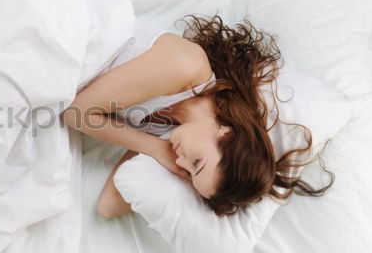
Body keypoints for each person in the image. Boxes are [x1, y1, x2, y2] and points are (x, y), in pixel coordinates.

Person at [61, 14, 333, 218]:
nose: (180, 161)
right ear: (226, 132)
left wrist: (190, 173)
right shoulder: (187, 69)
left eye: (188, 173)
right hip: (67, 27)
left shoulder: (172, 132)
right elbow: (75, 113)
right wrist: (152, 148)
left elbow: (107, 206)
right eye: (197, 163)